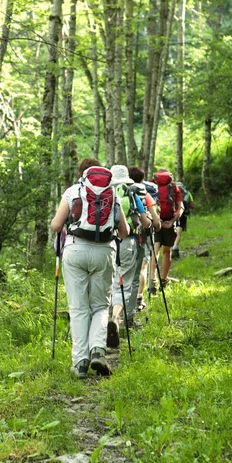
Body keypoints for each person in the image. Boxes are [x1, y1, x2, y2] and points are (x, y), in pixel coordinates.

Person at [50, 158, 130, 379]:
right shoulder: (112, 193)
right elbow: (124, 232)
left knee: (78, 308)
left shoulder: (73, 191)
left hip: (75, 251)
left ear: (81, 173)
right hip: (104, 252)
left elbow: (56, 225)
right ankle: (97, 349)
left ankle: (80, 362)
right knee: (100, 306)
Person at [107, 165, 152, 348]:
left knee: (110, 281)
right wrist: (148, 219)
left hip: (107, 243)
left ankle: (106, 318)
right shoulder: (132, 194)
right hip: (128, 242)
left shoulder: (105, 194)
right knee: (127, 282)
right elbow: (145, 221)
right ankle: (120, 318)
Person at [126, 166, 161, 312]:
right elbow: (156, 221)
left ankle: (121, 301)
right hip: (142, 236)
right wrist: (157, 224)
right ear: (142, 179)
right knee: (142, 267)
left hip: (124, 236)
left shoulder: (119, 192)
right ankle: (138, 298)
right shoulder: (144, 193)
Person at [150, 168, 183, 292]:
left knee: (155, 251)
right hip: (169, 222)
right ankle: (164, 279)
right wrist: (172, 222)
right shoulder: (174, 188)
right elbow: (179, 208)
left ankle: (152, 281)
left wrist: (156, 220)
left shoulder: (152, 185)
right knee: (167, 252)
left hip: (156, 222)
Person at [171, 181, 194, 259]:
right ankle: (175, 247)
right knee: (178, 232)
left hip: (172, 214)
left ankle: (170, 248)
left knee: (172, 231)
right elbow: (192, 205)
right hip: (183, 214)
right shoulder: (187, 193)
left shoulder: (171, 192)